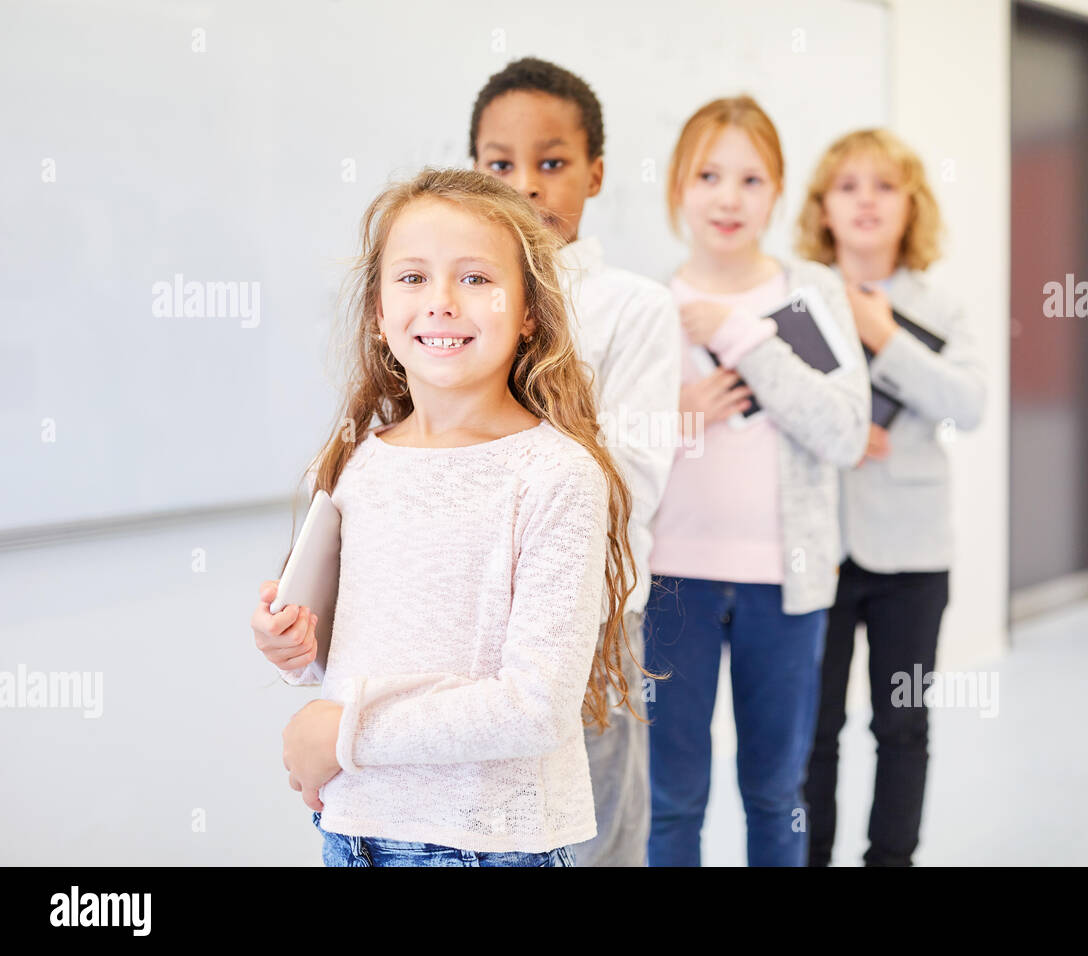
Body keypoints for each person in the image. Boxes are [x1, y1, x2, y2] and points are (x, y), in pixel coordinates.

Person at [249, 167, 636, 867]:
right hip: (353, 828)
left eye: (476, 279)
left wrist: (342, 732)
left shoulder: (556, 477)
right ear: (377, 310)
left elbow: (534, 706)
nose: (441, 303)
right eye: (412, 278)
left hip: (488, 848)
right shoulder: (354, 463)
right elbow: (343, 661)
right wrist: (294, 651)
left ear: (528, 313)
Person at [643, 95, 870, 867]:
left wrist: (744, 338)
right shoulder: (647, 308)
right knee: (671, 802)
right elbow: (598, 454)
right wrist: (676, 418)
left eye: (751, 178)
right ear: (678, 185)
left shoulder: (809, 294)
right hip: (672, 585)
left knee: (777, 794)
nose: (728, 197)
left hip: (787, 584)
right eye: (708, 174)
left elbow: (843, 431)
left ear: (777, 192)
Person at [468, 56, 681, 867]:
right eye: (500, 165)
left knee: (592, 831)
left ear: (594, 173)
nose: (526, 185)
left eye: (551, 163)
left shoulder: (634, 307)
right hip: (477, 612)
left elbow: (630, 478)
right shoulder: (461, 300)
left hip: (592, 615)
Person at [797, 129, 987, 866]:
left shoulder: (942, 305)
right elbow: (772, 399)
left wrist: (886, 339)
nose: (866, 201)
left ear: (912, 206)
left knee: (903, 726)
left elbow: (968, 406)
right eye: (848, 186)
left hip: (912, 554)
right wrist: (838, 427)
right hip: (818, 549)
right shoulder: (800, 296)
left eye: (884, 186)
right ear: (824, 207)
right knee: (813, 731)